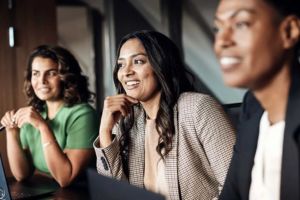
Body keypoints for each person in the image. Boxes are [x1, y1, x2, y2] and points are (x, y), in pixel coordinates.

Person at [93, 30, 235, 200]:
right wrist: (105, 131)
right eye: (121, 64)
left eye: (138, 61)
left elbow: (234, 187)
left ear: (161, 65)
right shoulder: (130, 120)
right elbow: (115, 194)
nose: (126, 72)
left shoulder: (198, 108)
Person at [214, 0, 300, 199]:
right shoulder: (252, 106)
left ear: (288, 31)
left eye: (240, 24)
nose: (222, 40)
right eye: (217, 28)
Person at [0, 45, 99, 187]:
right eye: (36, 73)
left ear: (66, 77)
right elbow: (21, 174)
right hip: (51, 192)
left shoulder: (83, 115)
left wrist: (43, 127)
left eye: (51, 73)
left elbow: (66, 177)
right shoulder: (36, 114)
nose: (41, 81)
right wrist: (12, 132)